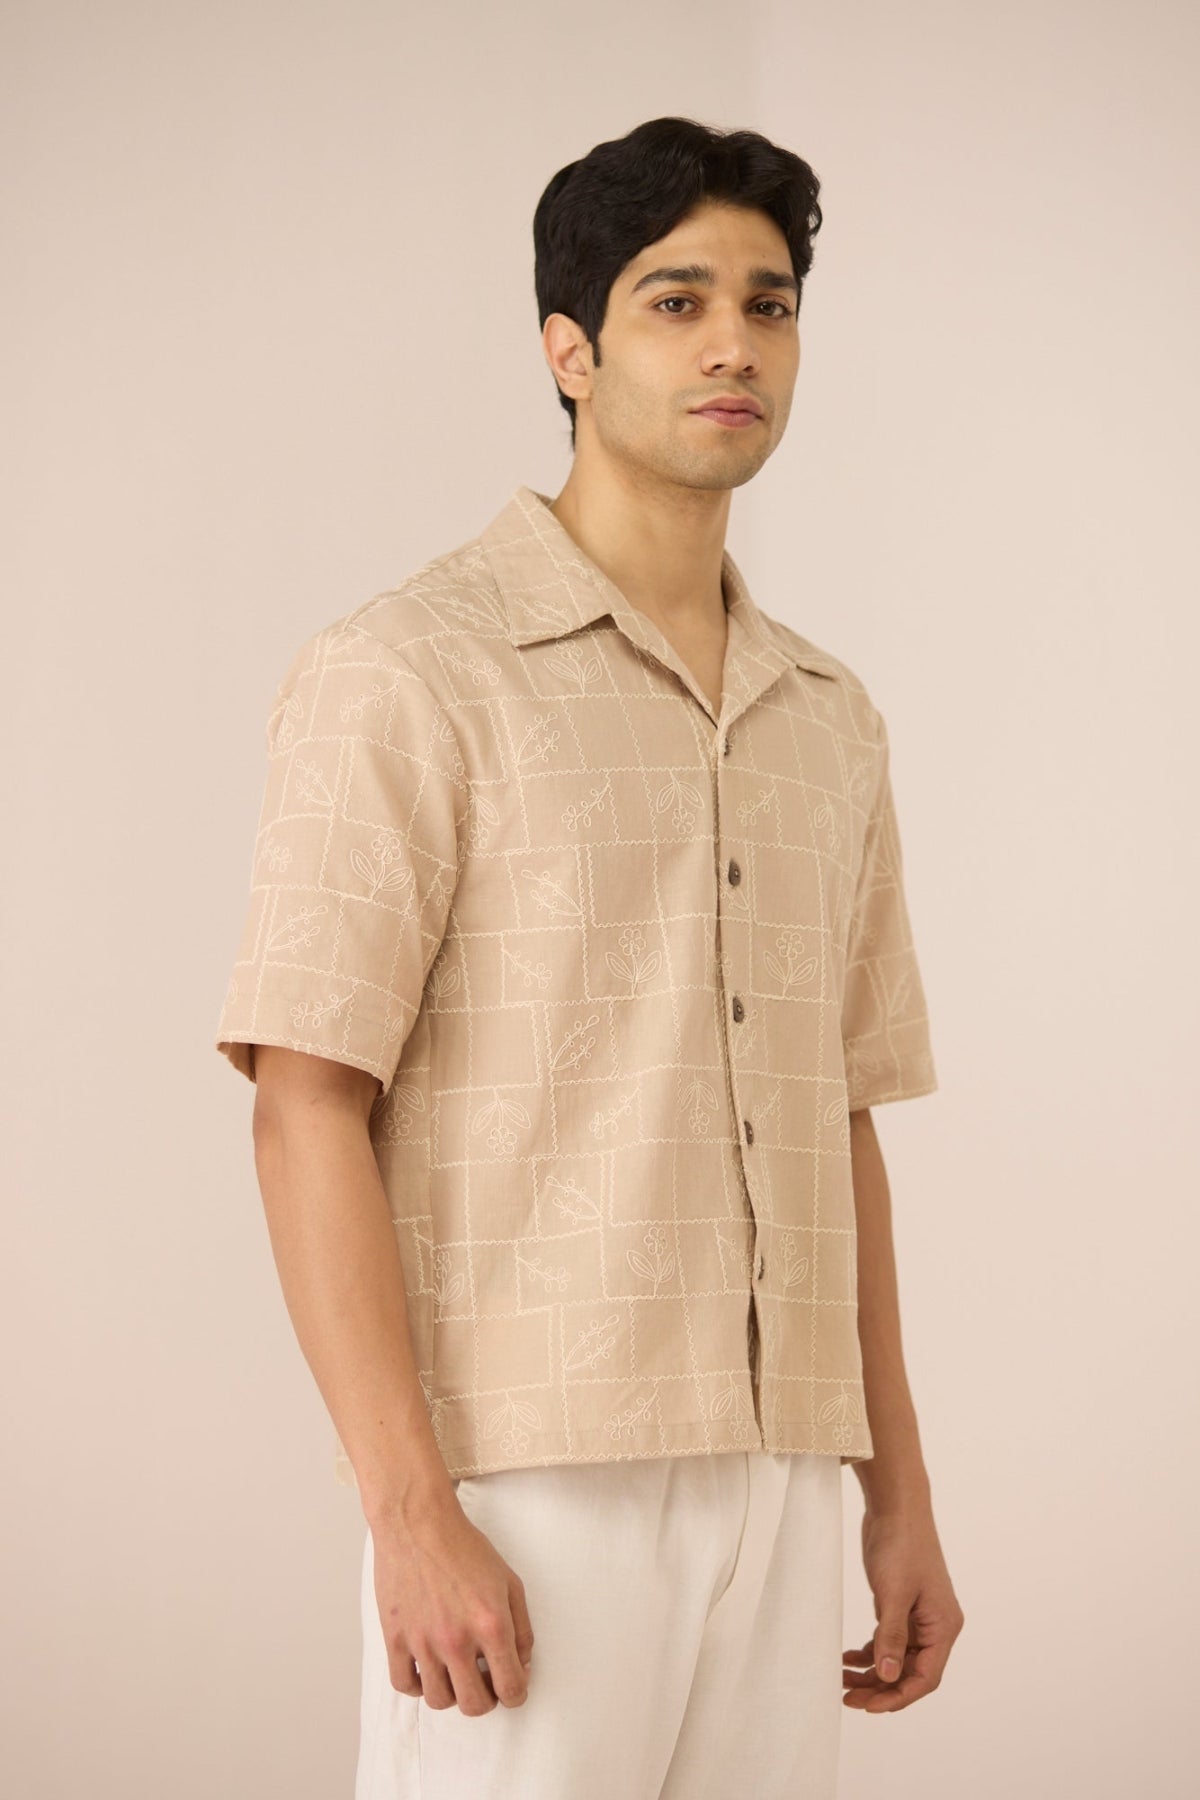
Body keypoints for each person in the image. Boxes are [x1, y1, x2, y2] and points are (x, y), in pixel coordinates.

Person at [214, 114, 964, 1800]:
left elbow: (842, 1120)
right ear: (570, 348)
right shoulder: (407, 672)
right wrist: (409, 1510)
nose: (732, 345)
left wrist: (892, 1492)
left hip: (782, 1482)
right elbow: (303, 1103)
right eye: (675, 300)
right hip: (527, 1490)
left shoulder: (828, 719)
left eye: (769, 307)